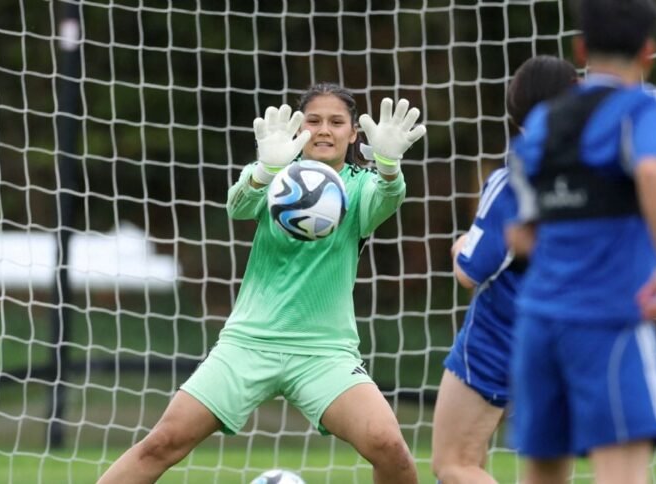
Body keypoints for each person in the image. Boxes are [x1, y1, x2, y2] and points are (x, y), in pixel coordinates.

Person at [97, 83, 426, 484]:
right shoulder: (276, 171)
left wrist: (389, 166)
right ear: (299, 128)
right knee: (163, 442)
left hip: (324, 352)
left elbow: (388, 199)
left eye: (337, 122)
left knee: (389, 447)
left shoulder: (361, 185)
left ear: (354, 133)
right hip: (249, 342)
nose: (324, 130)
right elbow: (238, 206)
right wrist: (264, 170)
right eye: (314, 120)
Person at [504, 0, 656, 483]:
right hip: (607, 319)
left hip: (538, 320)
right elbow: (652, 170)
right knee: (622, 474)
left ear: (581, 47)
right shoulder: (646, 106)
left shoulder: (542, 122)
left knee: (542, 474)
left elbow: (521, 232)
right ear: (649, 52)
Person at [431, 56, 578, 484]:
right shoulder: (596, 172)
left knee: (455, 464)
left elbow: (471, 271)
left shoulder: (515, 177)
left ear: (518, 105)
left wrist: (460, 245)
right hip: (571, 337)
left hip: (501, 335)